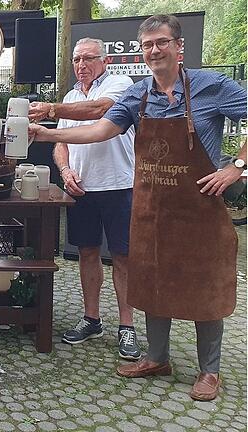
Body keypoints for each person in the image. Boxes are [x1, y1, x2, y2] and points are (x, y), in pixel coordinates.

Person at [29, 14, 247, 401]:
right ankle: (157, 357)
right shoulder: (138, 94)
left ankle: (209, 371)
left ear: (179, 47)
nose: (154, 50)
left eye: (162, 42)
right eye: (147, 44)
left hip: (200, 207)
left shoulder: (211, 86)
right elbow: (100, 129)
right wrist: (49, 133)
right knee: (151, 280)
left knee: (206, 283)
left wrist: (237, 166)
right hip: (153, 206)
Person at [28, 38, 139, 360]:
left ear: (105, 61)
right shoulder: (72, 95)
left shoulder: (121, 84)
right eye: (77, 59)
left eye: (89, 59)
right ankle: (92, 318)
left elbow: (100, 109)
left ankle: (127, 326)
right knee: (86, 254)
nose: (82, 65)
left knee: (123, 257)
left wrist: (50, 109)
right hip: (82, 188)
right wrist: (64, 171)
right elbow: (61, 143)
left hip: (120, 185)